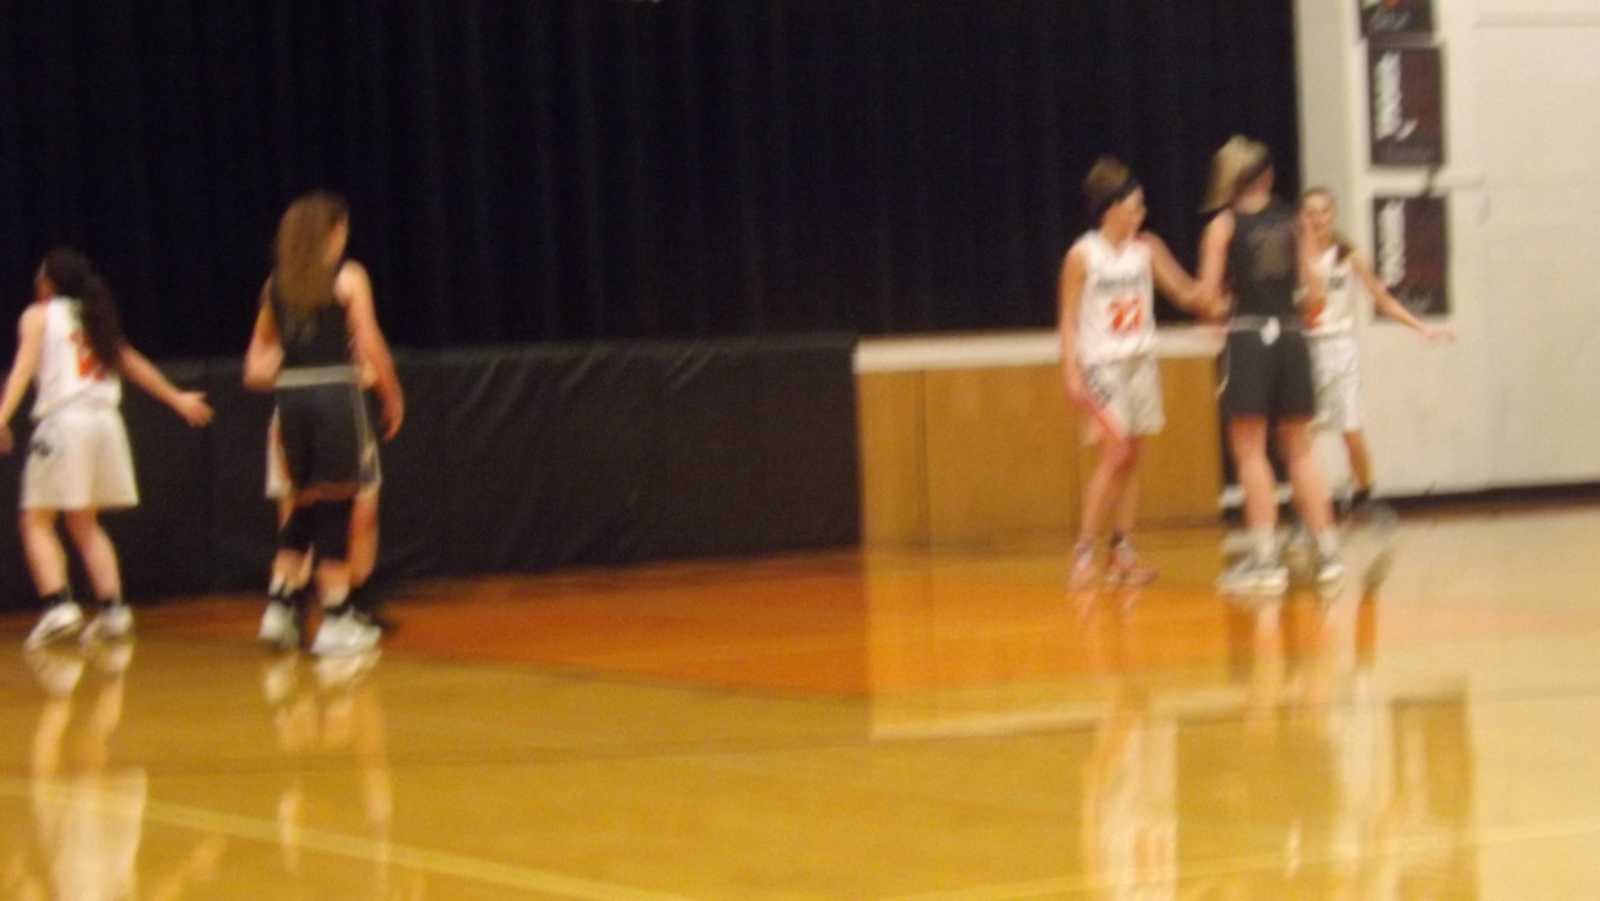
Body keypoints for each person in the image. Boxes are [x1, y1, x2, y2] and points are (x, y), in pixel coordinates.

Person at [0, 249, 213, 646]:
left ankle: (58, 605)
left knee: (36, 520)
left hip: (65, 422)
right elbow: (130, 362)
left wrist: (2, 416)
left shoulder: (39, 315)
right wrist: (176, 397)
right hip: (106, 425)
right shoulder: (95, 315)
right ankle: (114, 610)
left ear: (49, 282)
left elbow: (23, 367)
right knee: (84, 521)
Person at [245, 192, 403, 656]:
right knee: (337, 502)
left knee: (304, 503)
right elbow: (368, 340)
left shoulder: (275, 285)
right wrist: (391, 393)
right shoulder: (348, 277)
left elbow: (256, 365)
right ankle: (336, 618)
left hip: (291, 397)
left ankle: (280, 607)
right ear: (331, 233)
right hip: (335, 392)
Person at [1060, 156, 1220, 588]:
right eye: (1134, 206)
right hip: (1102, 365)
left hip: (1140, 362)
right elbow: (1068, 319)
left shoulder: (1146, 248)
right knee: (1115, 453)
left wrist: (1220, 291)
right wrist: (1070, 371)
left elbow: (1188, 293)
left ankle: (1122, 551)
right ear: (1111, 208)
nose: (1141, 214)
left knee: (1132, 455)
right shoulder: (1083, 255)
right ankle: (1083, 552)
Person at [1197, 137, 1342, 593]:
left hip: (1249, 337)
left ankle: (1264, 561)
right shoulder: (1296, 223)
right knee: (1300, 448)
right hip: (1293, 336)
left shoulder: (1223, 226)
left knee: (1250, 449)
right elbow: (1316, 293)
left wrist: (1219, 303)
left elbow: (1207, 298)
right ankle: (1329, 555)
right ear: (1268, 176)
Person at [1298, 187, 1453, 509]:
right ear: (1303, 218)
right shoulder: (1295, 256)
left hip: (1339, 347)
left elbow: (1382, 300)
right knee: (1302, 432)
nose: (1317, 219)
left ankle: (1364, 492)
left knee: (1350, 428)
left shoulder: (1348, 255)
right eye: (1311, 213)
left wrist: (1421, 328)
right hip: (1305, 347)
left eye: (1323, 212)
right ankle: (1309, 504)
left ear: (1333, 215)